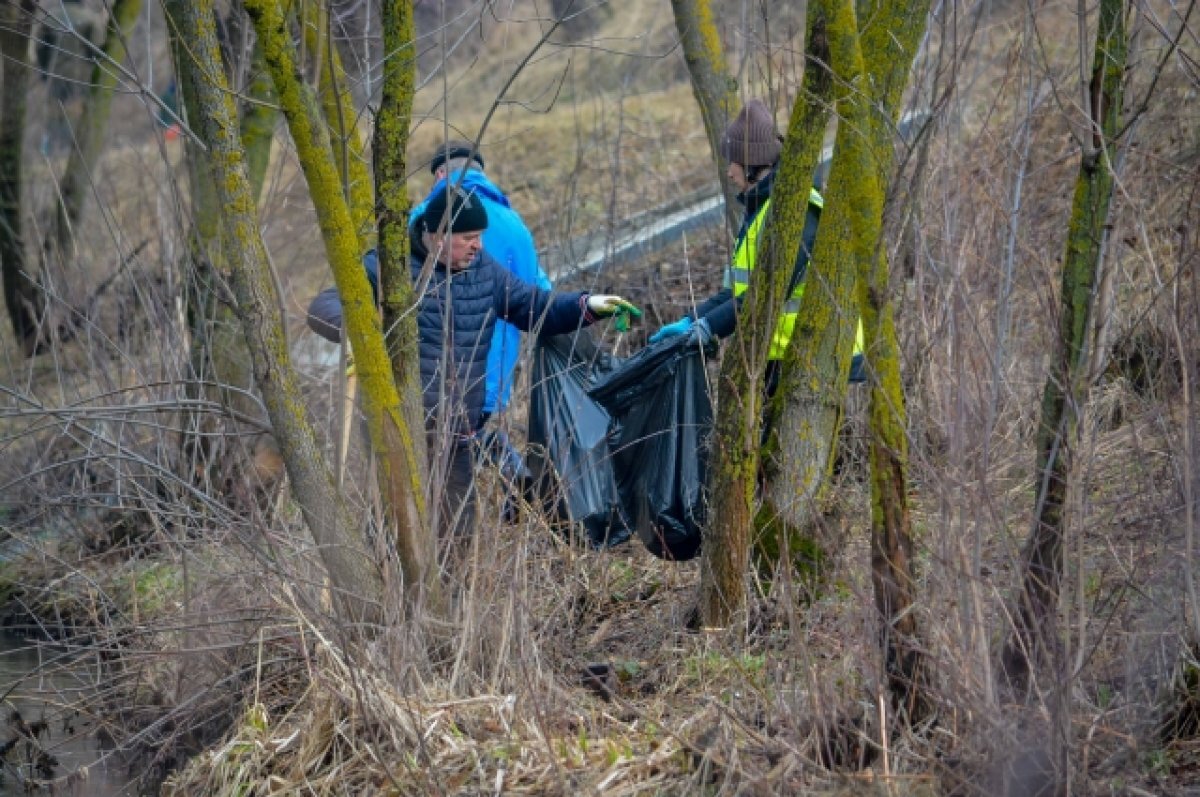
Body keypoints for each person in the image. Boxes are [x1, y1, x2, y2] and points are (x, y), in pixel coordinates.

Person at [307, 184, 636, 539]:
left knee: (458, 538)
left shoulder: (484, 270)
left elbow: (536, 307)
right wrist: (359, 334)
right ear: (436, 236)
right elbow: (323, 307)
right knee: (399, 535)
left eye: (478, 236)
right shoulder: (387, 267)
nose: (477, 245)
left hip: (458, 432)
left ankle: (446, 597)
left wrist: (588, 306)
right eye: (468, 237)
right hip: (399, 429)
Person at [649, 99, 865, 389]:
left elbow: (764, 296)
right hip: (788, 360)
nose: (729, 173)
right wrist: (692, 320)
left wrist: (710, 326)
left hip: (821, 364)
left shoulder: (797, 213)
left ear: (751, 165)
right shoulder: (762, 211)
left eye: (733, 163)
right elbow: (736, 292)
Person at [410, 140, 552, 425]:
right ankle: (504, 460)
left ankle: (501, 459)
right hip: (491, 378)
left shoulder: (425, 219)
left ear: (440, 175)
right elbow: (540, 296)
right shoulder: (514, 223)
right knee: (469, 447)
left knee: (441, 458)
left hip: (429, 382)